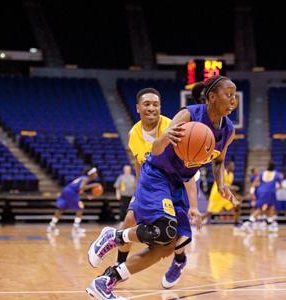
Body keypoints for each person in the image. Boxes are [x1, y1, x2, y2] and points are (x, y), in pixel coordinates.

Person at [86, 75, 238, 300]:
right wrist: (165, 136)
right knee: (164, 227)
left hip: (177, 184)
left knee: (168, 245)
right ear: (212, 97)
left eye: (235, 96)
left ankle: (105, 282)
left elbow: (217, 161)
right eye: (229, 95)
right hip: (157, 175)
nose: (233, 100)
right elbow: (156, 150)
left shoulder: (228, 130)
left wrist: (222, 183)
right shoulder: (189, 115)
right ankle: (115, 236)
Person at [114, 87, 191, 289]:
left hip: (173, 187)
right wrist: (138, 192)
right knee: (129, 221)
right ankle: (120, 266)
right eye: (147, 104)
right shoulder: (134, 134)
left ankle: (179, 261)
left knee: (174, 239)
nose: (151, 108)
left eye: (155, 104)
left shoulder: (173, 128)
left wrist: (194, 204)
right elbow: (140, 162)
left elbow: (190, 169)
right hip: (151, 187)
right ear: (138, 108)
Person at [46, 167, 99, 234]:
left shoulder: (82, 178)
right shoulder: (86, 178)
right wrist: (94, 185)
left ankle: (51, 226)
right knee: (81, 208)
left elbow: (80, 190)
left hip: (66, 190)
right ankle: (76, 228)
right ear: (91, 174)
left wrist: (87, 196)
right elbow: (81, 187)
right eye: (95, 173)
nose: (96, 174)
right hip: (71, 192)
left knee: (61, 209)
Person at [242, 162, 281, 232]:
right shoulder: (276, 174)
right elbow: (280, 185)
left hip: (261, 192)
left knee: (264, 207)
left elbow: (254, 183)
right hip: (270, 192)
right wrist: (275, 189)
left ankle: (266, 222)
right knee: (270, 207)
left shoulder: (262, 173)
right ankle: (251, 222)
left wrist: (252, 193)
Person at [202, 161, 241, 226]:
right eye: (232, 166)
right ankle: (197, 220)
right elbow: (222, 184)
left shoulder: (231, 175)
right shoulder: (222, 172)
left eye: (234, 166)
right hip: (217, 194)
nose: (234, 167)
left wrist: (235, 195)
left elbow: (228, 188)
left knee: (237, 206)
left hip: (225, 195)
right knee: (209, 212)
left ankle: (236, 223)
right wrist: (232, 187)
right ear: (228, 166)